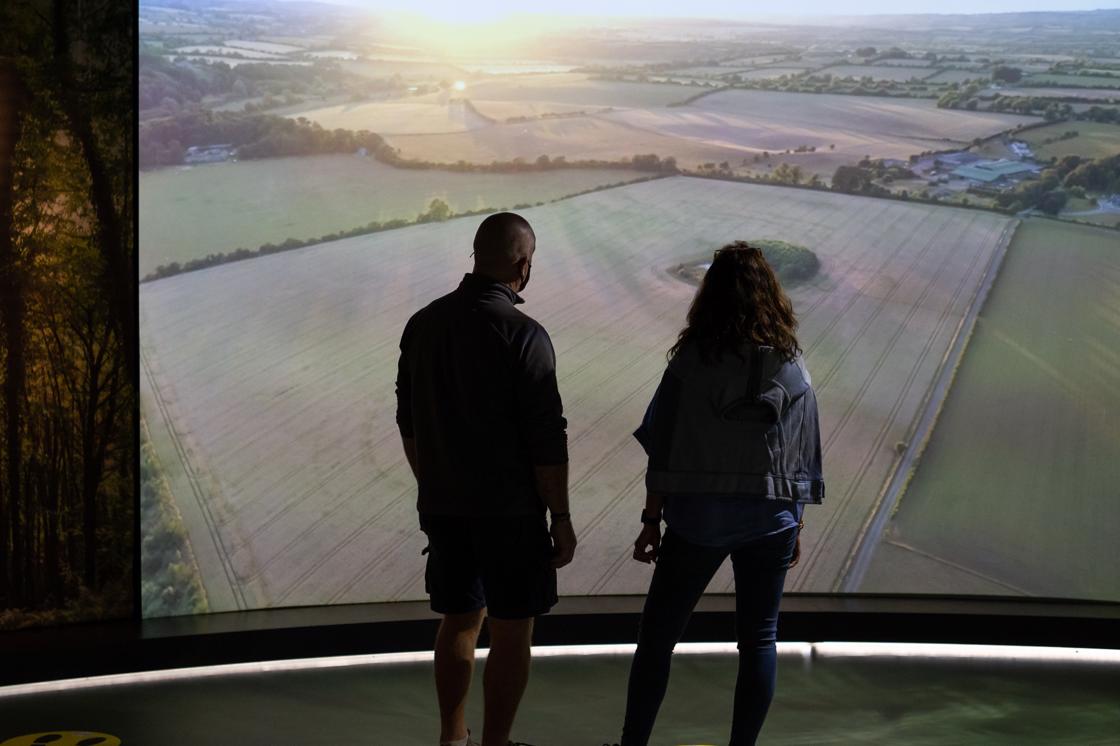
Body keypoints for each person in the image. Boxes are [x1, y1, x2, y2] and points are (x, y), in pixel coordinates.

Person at [619, 242, 825, 746]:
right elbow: (800, 456)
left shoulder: (691, 364)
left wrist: (651, 521)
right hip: (771, 522)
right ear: (771, 297)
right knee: (759, 640)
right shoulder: (793, 369)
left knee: (657, 641)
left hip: (698, 520)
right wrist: (794, 523)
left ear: (709, 298)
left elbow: (662, 449)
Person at [395, 212, 577, 746]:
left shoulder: (422, 324)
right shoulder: (526, 335)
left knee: (458, 620)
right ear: (523, 264)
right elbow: (548, 443)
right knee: (513, 628)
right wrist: (561, 519)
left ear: (476, 257)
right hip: (512, 512)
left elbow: (408, 424)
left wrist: (433, 485)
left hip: (444, 506)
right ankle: (495, 744)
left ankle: (452, 738)